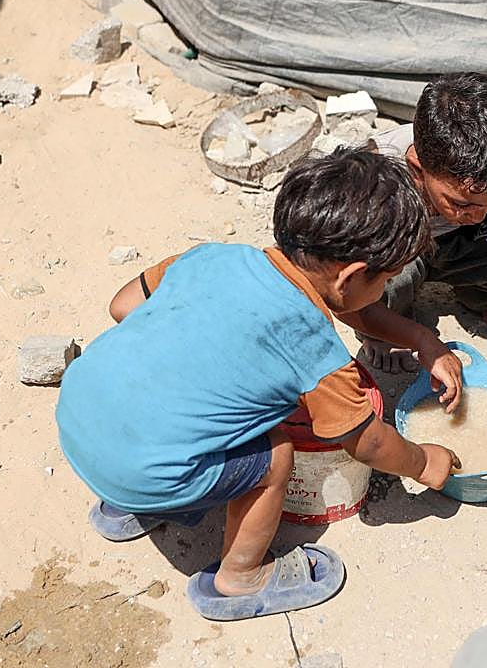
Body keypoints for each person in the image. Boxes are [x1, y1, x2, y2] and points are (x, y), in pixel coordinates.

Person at [55, 148, 463, 622]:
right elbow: (368, 442)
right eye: (386, 280)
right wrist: (422, 461)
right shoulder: (315, 350)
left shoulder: (212, 257)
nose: (384, 290)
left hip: (78, 417)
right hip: (145, 473)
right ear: (352, 276)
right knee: (275, 452)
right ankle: (241, 577)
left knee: (160, 393)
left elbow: (122, 306)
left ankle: (121, 506)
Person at [362, 72, 487, 372]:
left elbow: (483, 198)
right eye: (461, 203)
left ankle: (481, 298)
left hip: (450, 242)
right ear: (418, 168)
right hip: (399, 249)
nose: (477, 216)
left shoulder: (486, 163)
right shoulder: (375, 181)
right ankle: (384, 329)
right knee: (377, 276)